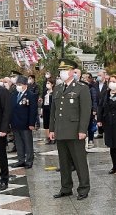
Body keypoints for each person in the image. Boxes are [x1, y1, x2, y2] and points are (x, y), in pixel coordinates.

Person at [49, 59, 92, 201]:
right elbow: (53, 112)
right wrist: (51, 129)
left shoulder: (82, 88)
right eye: (60, 70)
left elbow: (85, 112)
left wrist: (82, 130)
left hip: (75, 131)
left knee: (79, 161)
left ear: (73, 71)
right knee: (64, 162)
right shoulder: (58, 88)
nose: (62, 73)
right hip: (61, 130)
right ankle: (66, 188)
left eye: (64, 70)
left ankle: (84, 188)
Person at [10, 75, 38, 169]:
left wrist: (31, 123)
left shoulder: (30, 95)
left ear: (25, 85)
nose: (18, 86)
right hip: (15, 123)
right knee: (18, 143)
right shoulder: (14, 94)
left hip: (26, 124)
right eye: (17, 84)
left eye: (20, 84)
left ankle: (29, 160)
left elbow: (33, 110)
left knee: (27, 143)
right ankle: (21, 160)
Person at [94, 70, 108, 139]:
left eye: (100, 75)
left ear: (104, 76)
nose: (98, 77)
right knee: (99, 118)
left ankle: (106, 132)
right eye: (98, 75)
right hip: (98, 104)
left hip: (105, 105)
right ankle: (100, 132)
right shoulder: (95, 84)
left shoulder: (108, 84)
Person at [42, 78, 54, 144]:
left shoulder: (54, 92)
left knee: (51, 123)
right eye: (47, 83)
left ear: (52, 84)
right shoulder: (45, 92)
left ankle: (52, 137)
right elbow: (43, 101)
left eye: (49, 83)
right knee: (46, 124)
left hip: (51, 109)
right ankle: (47, 137)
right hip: (45, 108)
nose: (47, 84)